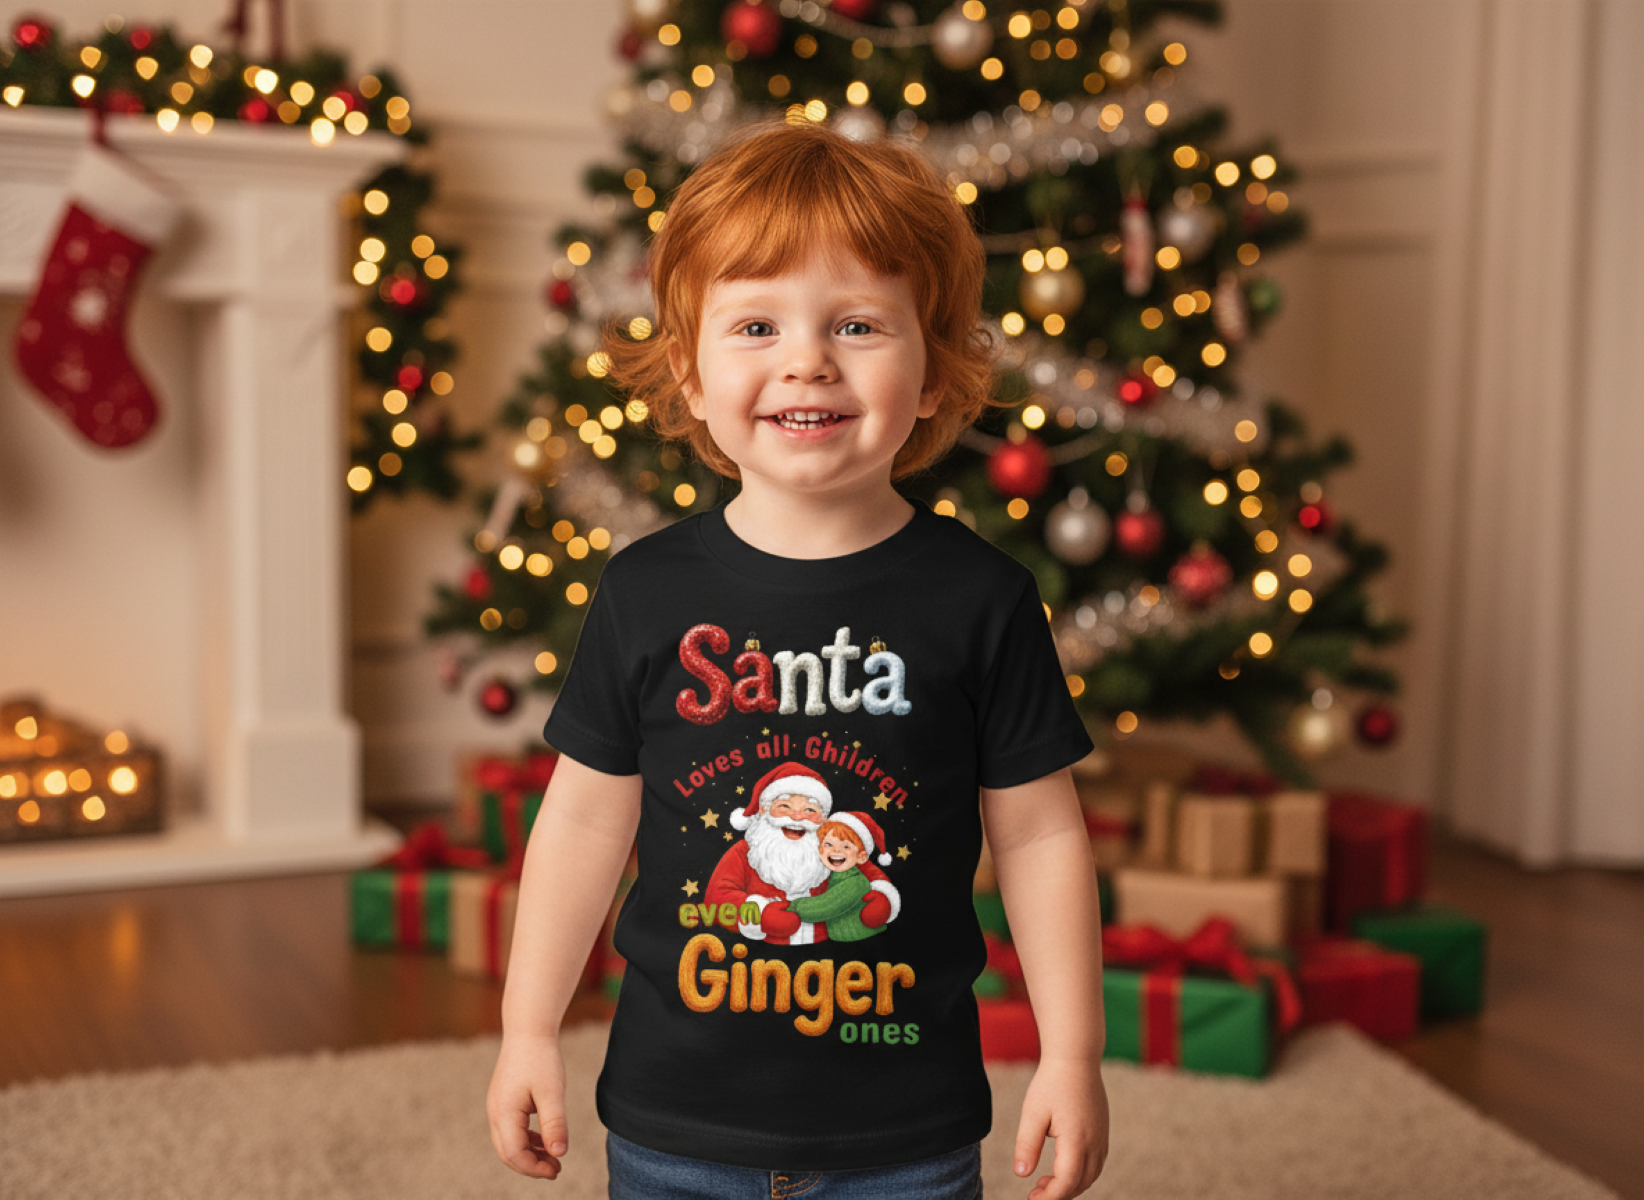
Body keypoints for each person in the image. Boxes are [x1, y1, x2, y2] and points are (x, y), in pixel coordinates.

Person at [487, 122, 1109, 1200]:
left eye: (858, 324)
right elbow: (585, 819)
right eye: (757, 324)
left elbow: (1042, 834)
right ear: (689, 373)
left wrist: (1073, 1053)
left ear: (933, 373)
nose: (806, 360)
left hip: (905, 1137)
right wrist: (527, 1028)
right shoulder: (645, 594)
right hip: (673, 1124)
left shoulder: (983, 599)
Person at [704, 762, 901, 945]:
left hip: (831, 955)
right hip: (764, 959)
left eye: (809, 809)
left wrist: (882, 898)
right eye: (784, 806)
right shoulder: (744, 851)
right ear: (764, 810)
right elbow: (717, 897)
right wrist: (760, 915)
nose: (797, 817)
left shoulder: (832, 849)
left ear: (823, 818)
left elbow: (868, 871)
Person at [779, 810, 896, 943]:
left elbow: (825, 906)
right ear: (820, 850)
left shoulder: (854, 883)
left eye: (846, 846)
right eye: (829, 844)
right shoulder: (832, 876)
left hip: (862, 941)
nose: (836, 851)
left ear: (861, 857)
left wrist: (790, 907)